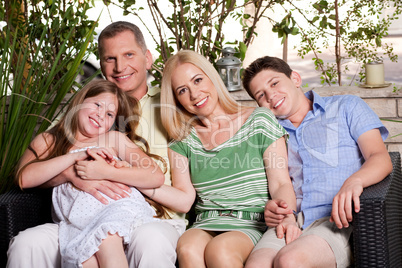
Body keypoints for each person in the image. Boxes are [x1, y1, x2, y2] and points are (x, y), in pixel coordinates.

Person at [7, 21, 185, 268]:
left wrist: (109, 173)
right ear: (100, 65)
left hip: (148, 216)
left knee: (147, 241)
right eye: (110, 58)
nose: (120, 66)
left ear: (147, 58)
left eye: (129, 55)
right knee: (27, 243)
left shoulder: (171, 104)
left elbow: (171, 185)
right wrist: (71, 173)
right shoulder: (84, 114)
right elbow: (26, 175)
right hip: (78, 216)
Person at [139, 50, 301, 267]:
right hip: (206, 222)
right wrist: (133, 179)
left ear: (212, 77)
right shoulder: (182, 140)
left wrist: (286, 212)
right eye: (182, 90)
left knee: (221, 249)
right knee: (187, 245)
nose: (195, 94)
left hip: (251, 222)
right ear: (176, 99)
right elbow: (184, 199)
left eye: (198, 80)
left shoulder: (259, 119)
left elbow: (281, 182)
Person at [242, 56, 393, 268]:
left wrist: (354, 181)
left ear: (295, 78)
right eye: (261, 95)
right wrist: (276, 209)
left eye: (275, 83)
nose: (271, 96)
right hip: (292, 219)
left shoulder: (346, 106)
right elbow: (277, 183)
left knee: (289, 261)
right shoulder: (269, 132)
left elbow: (380, 157)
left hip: (336, 220)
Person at [17, 80, 167, 267]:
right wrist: (73, 160)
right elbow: (24, 178)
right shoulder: (49, 140)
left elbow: (155, 175)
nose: (100, 115)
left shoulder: (112, 139)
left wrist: (108, 171)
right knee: (85, 259)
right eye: (97, 104)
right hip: (77, 222)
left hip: (115, 209)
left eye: (110, 114)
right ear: (81, 100)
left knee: (107, 239)